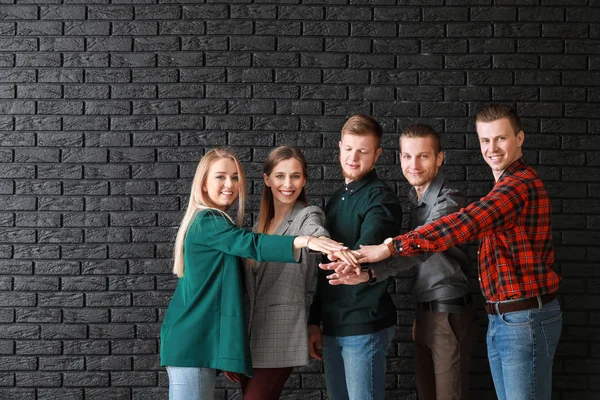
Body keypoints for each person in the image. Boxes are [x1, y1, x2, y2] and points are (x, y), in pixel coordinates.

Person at [334, 105, 562, 400]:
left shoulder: (517, 186)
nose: (491, 148)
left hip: (521, 317)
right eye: (485, 140)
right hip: (502, 316)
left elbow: (462, 225)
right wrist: (371, 270)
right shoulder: (500, 187)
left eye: (500, 139)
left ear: (519, 138)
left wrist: (389, 247)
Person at [159, 147, 347, 400]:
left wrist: (320, 240)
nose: (230, 184)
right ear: (203, 184)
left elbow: (312, 226)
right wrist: (303, 241)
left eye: (235, 177)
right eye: (220, 176)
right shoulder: (210, 221)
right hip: (193, 343)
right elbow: (253, 245)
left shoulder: (220, 222)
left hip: (201, 342)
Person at [324, 124, 479, 400]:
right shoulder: (415, 200)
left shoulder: (449, 201)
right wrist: (371, 272)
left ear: (439, 159)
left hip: (449, 312)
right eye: (407, 157)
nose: (413, 165)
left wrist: (379, 255)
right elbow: (408, 257)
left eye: (423, 156)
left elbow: (420, 246)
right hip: (427, 310)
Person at [307, 114, 404, 400]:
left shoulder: (381, 198)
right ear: (339, 147)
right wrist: (315, 321)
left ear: (377, 154)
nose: (353, 157)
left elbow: (369, 245)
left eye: (363, 151)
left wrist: (354, 256)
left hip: (364, 327)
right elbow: (323, 271)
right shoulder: (337, 199)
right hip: (332, 327)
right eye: (348, 148)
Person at [225, 146, 330, 399]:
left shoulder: (306, 215)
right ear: (267, 179)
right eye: (280, 175)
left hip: (280, 338)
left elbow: (316, 231)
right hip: (250, 340)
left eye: (295, 176)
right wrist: (233, 349)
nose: (288, 183)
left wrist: (317, 241)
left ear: (304, 180)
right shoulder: (257, 229)